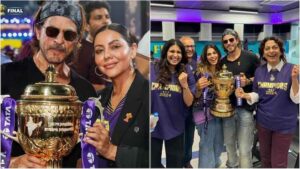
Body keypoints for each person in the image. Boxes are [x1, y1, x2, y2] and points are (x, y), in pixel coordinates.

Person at [1, 1, 96, 167]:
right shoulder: (5, 76)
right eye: (52, 32)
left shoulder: (85, 90)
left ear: (77, 41)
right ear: (38, 32)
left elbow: (86, 153)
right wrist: (12, 163)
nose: (59, 40)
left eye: (69, 35)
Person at [83, 23, 149, 167]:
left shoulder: (149, 95)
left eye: (115, 47)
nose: (107, 55)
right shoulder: (97, 100)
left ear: (132, 50)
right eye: (99, 50)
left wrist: (112, 151)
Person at [235, 36, 299, 168]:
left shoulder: (292, 70)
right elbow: (258, 95)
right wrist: (245, 95)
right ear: (263, 53)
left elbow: (296, 98)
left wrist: (294, 78)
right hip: (263, 123)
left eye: (275, 47)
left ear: (281, 51)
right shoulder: (259, 71)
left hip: (284, 125)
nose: (271, 51)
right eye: (267, 48)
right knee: (265, 159)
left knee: (278, 163)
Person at [151, 39, 195, 168]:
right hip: (153, 124)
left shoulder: (186, 71)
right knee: (152, 163)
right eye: (172, 51)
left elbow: (189, 102)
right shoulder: (153, 68)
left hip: (175, 124)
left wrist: (185, 85)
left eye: (179, 52)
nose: (175, 55)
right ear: (165, 52)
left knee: (175, 164)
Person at [220, 28, 260, 168]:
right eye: (225, 41)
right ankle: (232, 165)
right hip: (228, 110)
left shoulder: (251, 57)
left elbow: (262, 78)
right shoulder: (222, 62)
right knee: (230, 146)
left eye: (231, 40)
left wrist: (248, 81)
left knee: (244, 149)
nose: (229, 43)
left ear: (237, 40)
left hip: (245, 110)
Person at [193, 44, 224, 168]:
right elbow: (194, 95)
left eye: (214, 53)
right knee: (206, 146)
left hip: (219, 112)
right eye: (209, 54)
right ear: (205, 57)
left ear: (218, 54)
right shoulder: (199, 72)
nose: (212, 56)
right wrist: (198, 88)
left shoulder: (221, 70)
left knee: (218, 145)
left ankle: (214, 164)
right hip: (203, 113)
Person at [71, 1, 112, 92]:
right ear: (86, 26)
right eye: (98, 18)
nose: (106, 21)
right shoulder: (81, 50)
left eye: (107, 17)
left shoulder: (115, 48)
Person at [179, 36, 197, 168]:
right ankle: (178, 162)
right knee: (178, 138)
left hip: (192, 109)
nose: (190, 49)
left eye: (192, 46)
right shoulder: (175, 64)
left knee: (189, 137)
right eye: (187, 46)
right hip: (177, 109)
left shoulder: (196, 64)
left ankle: (187, 161)